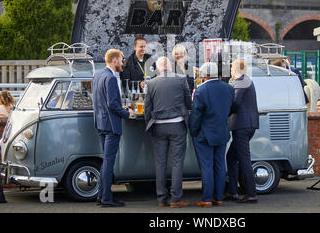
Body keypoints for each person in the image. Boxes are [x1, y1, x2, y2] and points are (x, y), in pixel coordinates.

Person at [144, 57, 192, 208]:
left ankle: (161, 198)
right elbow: (189, 102)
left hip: (158, 126)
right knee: (177, 163)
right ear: (170, 66)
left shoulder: (151, 83)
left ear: (158, 69)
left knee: (160, 163)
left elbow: (147, 108)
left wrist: (148, 124)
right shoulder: (181, 79)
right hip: (177, 125)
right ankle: (176, 199)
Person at [92, 49, 135, 207]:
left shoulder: (98, 75)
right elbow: (112, 104)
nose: (123, 63)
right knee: (108, 162)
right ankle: (107, 199)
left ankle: (101, 195)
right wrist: (127, 113)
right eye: (122, 60)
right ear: (115, 60)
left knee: (106, 161)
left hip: (100, 123)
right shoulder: (110, 78)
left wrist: (121, 108)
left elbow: (99, 101)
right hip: (111, 124)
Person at [189, 62, 235, 207]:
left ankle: (207, 199)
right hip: (222, 131)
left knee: (207, 166)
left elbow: (196, 115)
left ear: (204, 75)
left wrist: (193, 132)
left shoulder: (201, 91)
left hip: (204, 134)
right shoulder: (229, 88)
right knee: (220, 165)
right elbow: (231, 108)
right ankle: (218, 197)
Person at [226, 60, 259, 203]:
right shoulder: (245, 80)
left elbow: (235, 103)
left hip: (242, 125)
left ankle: (251, 193)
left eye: (232, 69)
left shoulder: (241, 82)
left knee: (244, 159)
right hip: (246, 125)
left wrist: (222, 112)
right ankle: (233, 191)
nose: (231, 72)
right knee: (231, 157)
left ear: (236, 69)